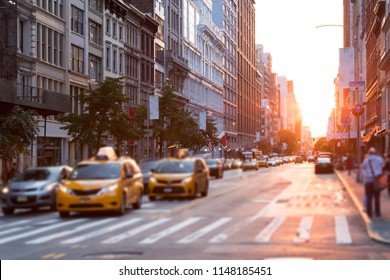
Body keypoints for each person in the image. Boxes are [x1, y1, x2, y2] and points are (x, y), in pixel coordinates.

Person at [360, 147, 385, 218]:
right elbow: (382, 165)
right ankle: (378, 213)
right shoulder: (379, 159)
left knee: (369, 197)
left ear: (368, 153)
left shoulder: (366, 160)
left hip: (368, 181)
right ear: (375, 153)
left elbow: (362, 168)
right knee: (377, 198)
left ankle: (369, 212)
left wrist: (366, 175)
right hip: (377, 181)